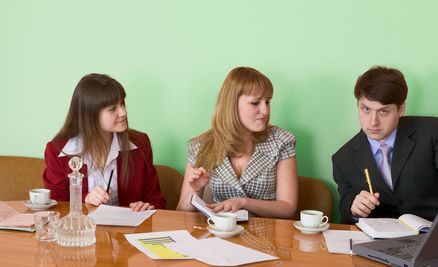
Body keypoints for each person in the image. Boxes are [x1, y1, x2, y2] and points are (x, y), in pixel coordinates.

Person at [332, 66, 438, 224]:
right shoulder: (342, 159)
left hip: (434, 232)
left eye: (383, 111)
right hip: (378, 241)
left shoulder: (431, 130)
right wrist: (354, 210)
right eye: (366, 109)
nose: (373, 122)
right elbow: (346, 212)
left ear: (401, 109)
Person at [176, 67, 297, 219]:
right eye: (255, 103)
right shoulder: (201, 146)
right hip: (220, 235)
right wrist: (195, 189)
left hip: (267, 237)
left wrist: (243, 202)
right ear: (231, 104)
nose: (265, 110)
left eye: (267, 101)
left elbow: (288, 208)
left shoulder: (282, 141)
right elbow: (181, 213)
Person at [43, 73, 165, 211]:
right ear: (90, 115)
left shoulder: (141, 143)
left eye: (122, 104)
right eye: (113, 109)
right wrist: (85, 199)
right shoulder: (57, 151)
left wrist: (147, 207)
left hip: (128, 231)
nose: (123, 112)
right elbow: (56, 208)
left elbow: (157, 200)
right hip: (83, 230)